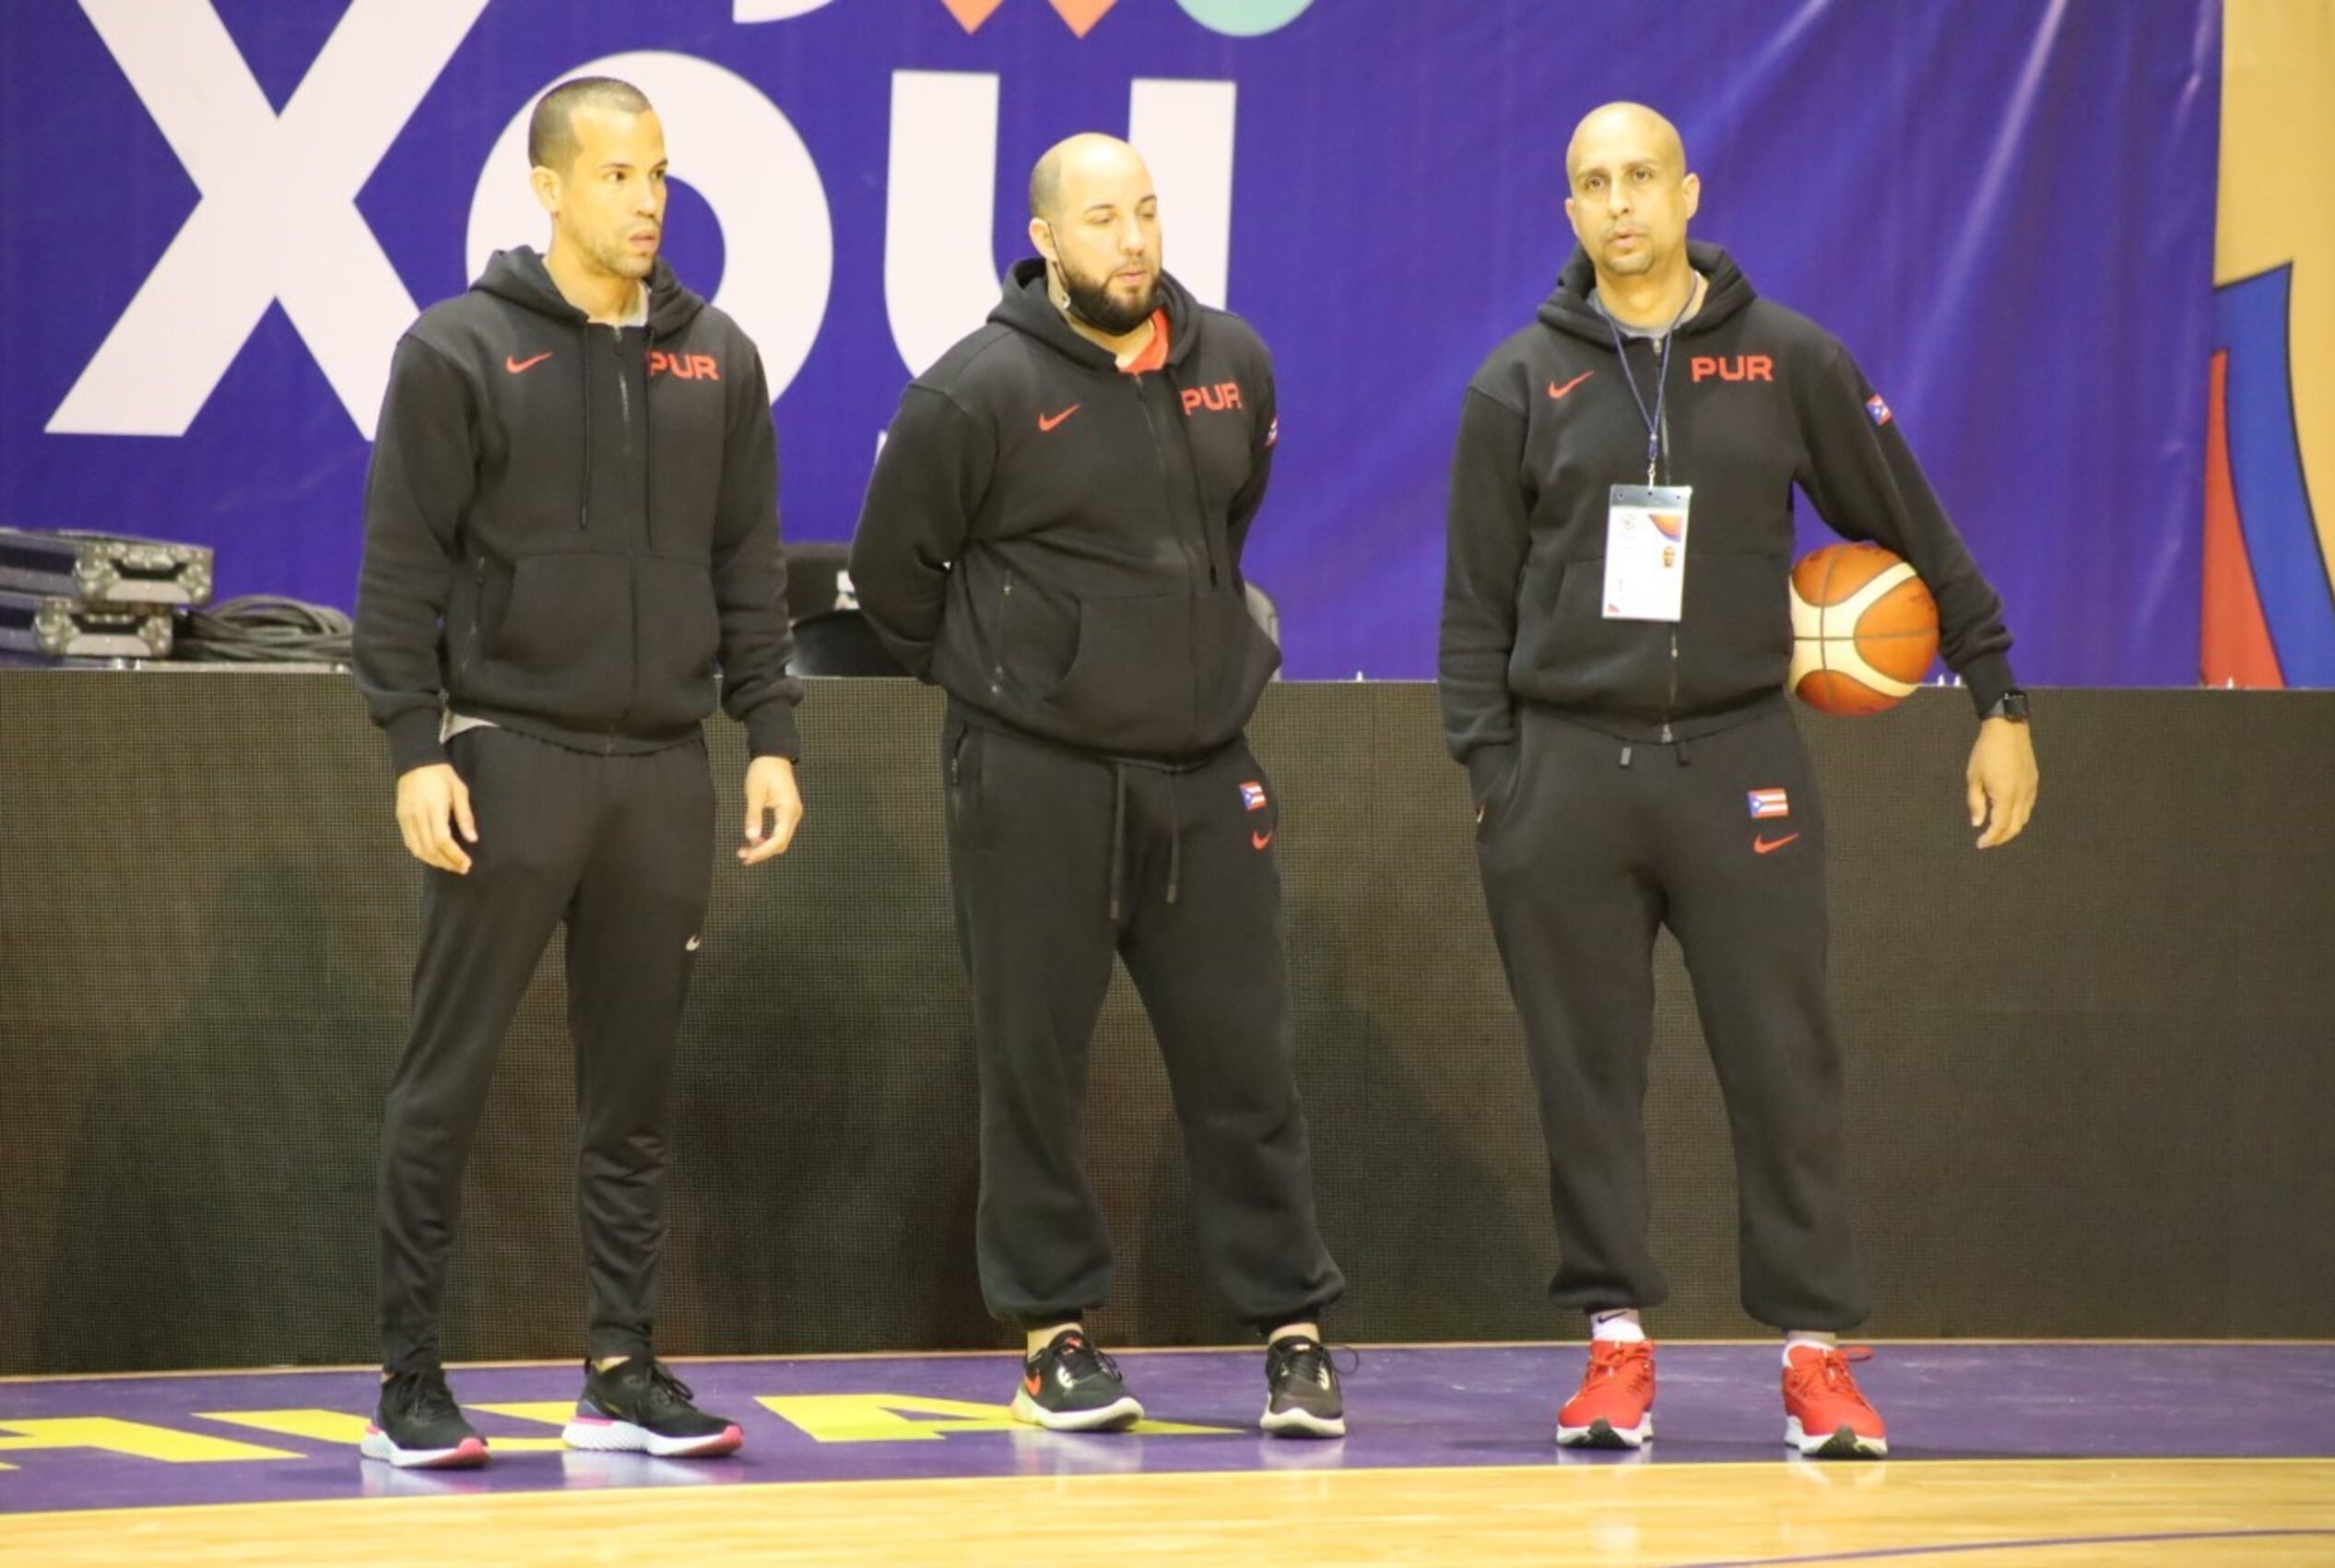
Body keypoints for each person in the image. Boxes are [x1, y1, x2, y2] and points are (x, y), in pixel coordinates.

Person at [1440, 102, 2038, 1458]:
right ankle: (1613, 1351)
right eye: (1592, 183)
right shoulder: (1517, 382)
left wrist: (1998, 696)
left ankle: (1816, 1357)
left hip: (1741, 762)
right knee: (1586, 1071)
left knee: (1784, 1063)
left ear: (1689, 191)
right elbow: (1472, 609)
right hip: (1567, 773)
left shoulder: (1787, 361)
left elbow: (1916, 526)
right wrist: (1496, 774)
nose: (1621, 203)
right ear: (1571, 210)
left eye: (1641, 176)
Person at [850, 134, 1346, 1438]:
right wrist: (1026, 677)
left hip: (1204, 772)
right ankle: (1054, 1335)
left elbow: (1226, 533)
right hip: (1035, 779)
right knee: (1035, 1066)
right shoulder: (979, 390)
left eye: (1145, 213)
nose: (1131, 241)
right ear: (1047, 240)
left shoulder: (1234, 365)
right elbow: (896, 579)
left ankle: (1293, 1332)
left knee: (1248, 1063)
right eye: (1101, 221)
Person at [351, 77, 804, 1468]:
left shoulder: (716, 355)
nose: (647, 200)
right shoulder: (459, 350)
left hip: (663, 771)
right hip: (512, 758)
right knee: (449, 1082)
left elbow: (748, 565)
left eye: (659, 174)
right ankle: (409, 1382)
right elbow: (399, 576)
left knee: (635, 1095)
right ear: (548, 187)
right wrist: (415, 749)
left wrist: (769, 731)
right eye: (617, 176)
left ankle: (618, 1368)